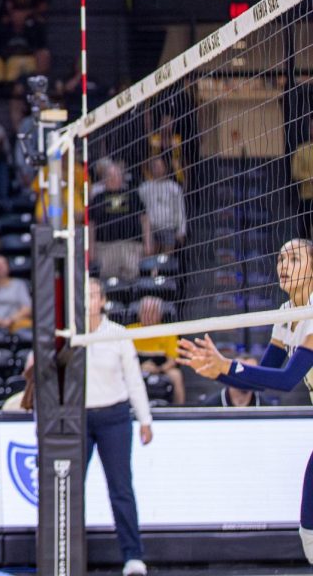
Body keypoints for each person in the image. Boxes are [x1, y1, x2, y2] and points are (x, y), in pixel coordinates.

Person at [178, 239, 313, 563]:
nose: (283, 266)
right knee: (308, 527)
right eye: (280, 259)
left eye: (294, 259)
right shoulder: (286, 314)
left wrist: (228, 366)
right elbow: (263, 374)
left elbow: (286, 380)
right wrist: (217, 372)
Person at [84, 277, 153, 576]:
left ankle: (133, 556)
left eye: (93, 294)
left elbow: (134, 379)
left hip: (115, 417)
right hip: (77, 420)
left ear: (102, 300)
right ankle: (69, 552)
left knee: (121, 489)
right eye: (83, 294)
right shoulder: (67, 333)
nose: (88, 299)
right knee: (70, 490)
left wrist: (145, 419)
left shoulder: (118, 334)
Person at [90, 162, 151, 283]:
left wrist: (148, 243)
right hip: (106, 247)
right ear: (104, 179)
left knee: (133, 279)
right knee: (108, 282)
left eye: (116, 175)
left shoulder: (133, 195)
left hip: (131, 246)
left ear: (122, 177)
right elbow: (92, 225)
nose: (113, 178)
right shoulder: (98, 198)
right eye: (110, 175)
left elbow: (144, 219)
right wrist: (91, 248)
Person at [126, 296, 185, 405]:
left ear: (160, 314)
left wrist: (158, 369)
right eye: (145, 312)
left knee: (176, 375)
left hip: (160, 368)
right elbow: (122, 358)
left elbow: (173, 360)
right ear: (139, 314)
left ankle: (179, 408)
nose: (148, 316)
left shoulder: (168, 331)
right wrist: (139, 368)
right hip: (135, 367)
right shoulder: (129, 331)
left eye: (152, 312)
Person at [138, 157, 185, 254]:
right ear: (151, 168)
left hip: (168, 229)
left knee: (166, 260)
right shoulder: (143, 188)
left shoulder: (174, 188)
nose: (158, 169)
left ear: (165, 168)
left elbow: (180, 211)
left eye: (160, 166)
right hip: (150, 231)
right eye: (155, 166)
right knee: (150, 258)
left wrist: (181, 230)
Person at [200, 355, 273, 407]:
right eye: (241, 372)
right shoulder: (211, 406)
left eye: (252, 373)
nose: (246, 378)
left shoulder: (266, 407)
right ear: (230, 374)